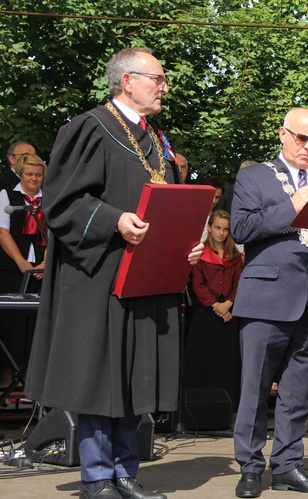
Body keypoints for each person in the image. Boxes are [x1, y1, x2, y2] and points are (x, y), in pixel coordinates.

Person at [24, 47, 204, 499]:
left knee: (132, 377)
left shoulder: (156, 140)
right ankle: (97, 477)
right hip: (97, 276)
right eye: (157, 78)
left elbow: (166, 205)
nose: (165, 86)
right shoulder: (89, 127)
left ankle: (125, 472)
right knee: (99, 377)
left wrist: (185, 243)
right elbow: (60, 201)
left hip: (144, 278)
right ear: (128, 81)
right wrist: (114, 220)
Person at [231, 107, 308, 498]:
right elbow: (242, 228)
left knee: (299, 392)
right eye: (302, 138)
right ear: (282, 134)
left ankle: (287, 465)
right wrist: (293, 206)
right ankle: (250, 467)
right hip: (265, 298)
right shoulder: (254, 176)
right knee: (255, 389)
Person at [184, 209, 242, 412]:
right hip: (206, 314)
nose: (221, 233)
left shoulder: (234, 256)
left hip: (228, 316)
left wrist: (229, 303)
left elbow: (238, 283)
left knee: (227, 363)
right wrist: (217, 306)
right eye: (217, 228)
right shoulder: (200, 254)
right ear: (209, 228)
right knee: (204, 362)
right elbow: (197, 285)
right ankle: (199, 409)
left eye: (225, 229)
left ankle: (228, 408)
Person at [0, 153, 46, 389]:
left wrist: (44, 263)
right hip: (13, 268)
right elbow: (2, 232)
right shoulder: (7, 195)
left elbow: (57, 233)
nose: (34, 179)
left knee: (36, 325)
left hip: (40, 269)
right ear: (20, 174)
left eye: (38, 175)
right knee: (10, 325)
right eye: (29, 174)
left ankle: (31, 379)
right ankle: (8, 377)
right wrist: (21, 263)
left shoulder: (48, 198)